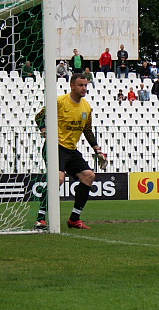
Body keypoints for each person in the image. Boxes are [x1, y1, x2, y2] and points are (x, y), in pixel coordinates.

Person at [33, 73, 107, 230]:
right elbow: (39, 116)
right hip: (55, 147)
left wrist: (97, 149)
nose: (84, 88)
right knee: (58, 179)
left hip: (72, 150)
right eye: (81, 85)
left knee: (89, 176)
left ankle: (74, 219)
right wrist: (45, 130)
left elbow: (87, 130)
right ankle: (41, 218)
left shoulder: (86, 106)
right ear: (72, 86)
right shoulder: (60, 102)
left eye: (86, 85)